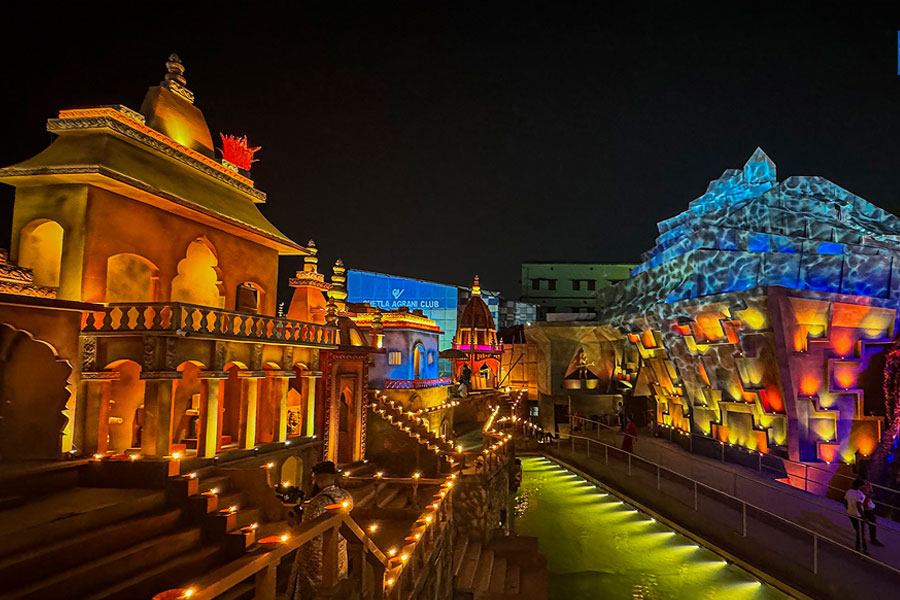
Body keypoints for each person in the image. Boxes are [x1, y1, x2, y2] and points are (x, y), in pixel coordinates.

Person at [289, 461, 355, 598]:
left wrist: (295, 522)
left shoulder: (318, 502)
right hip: (339, 544)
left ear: (318, 479)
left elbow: (306, 528)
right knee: (337, 577)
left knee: (315, 586)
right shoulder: (345, 495)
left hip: (316, 551)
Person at [844, 478, 868, 554]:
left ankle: (858, 547)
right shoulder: (861, 495)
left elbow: (844, 501)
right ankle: (863, 549)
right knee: (861, 533)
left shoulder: (849, 491)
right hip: (858, 515)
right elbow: (859, 506)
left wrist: (848, 508)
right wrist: (864, 517)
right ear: (860, 486)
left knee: (858, 530)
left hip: (850, 513)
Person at [862, 480, 884, 547]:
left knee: (872, 521)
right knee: (871, 521)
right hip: (863, 507)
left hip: (867, 506)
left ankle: (872, 539)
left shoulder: (867, 483)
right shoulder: (861, 483)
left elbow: (871, 493)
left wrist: (869, 495)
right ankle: (872, 539)